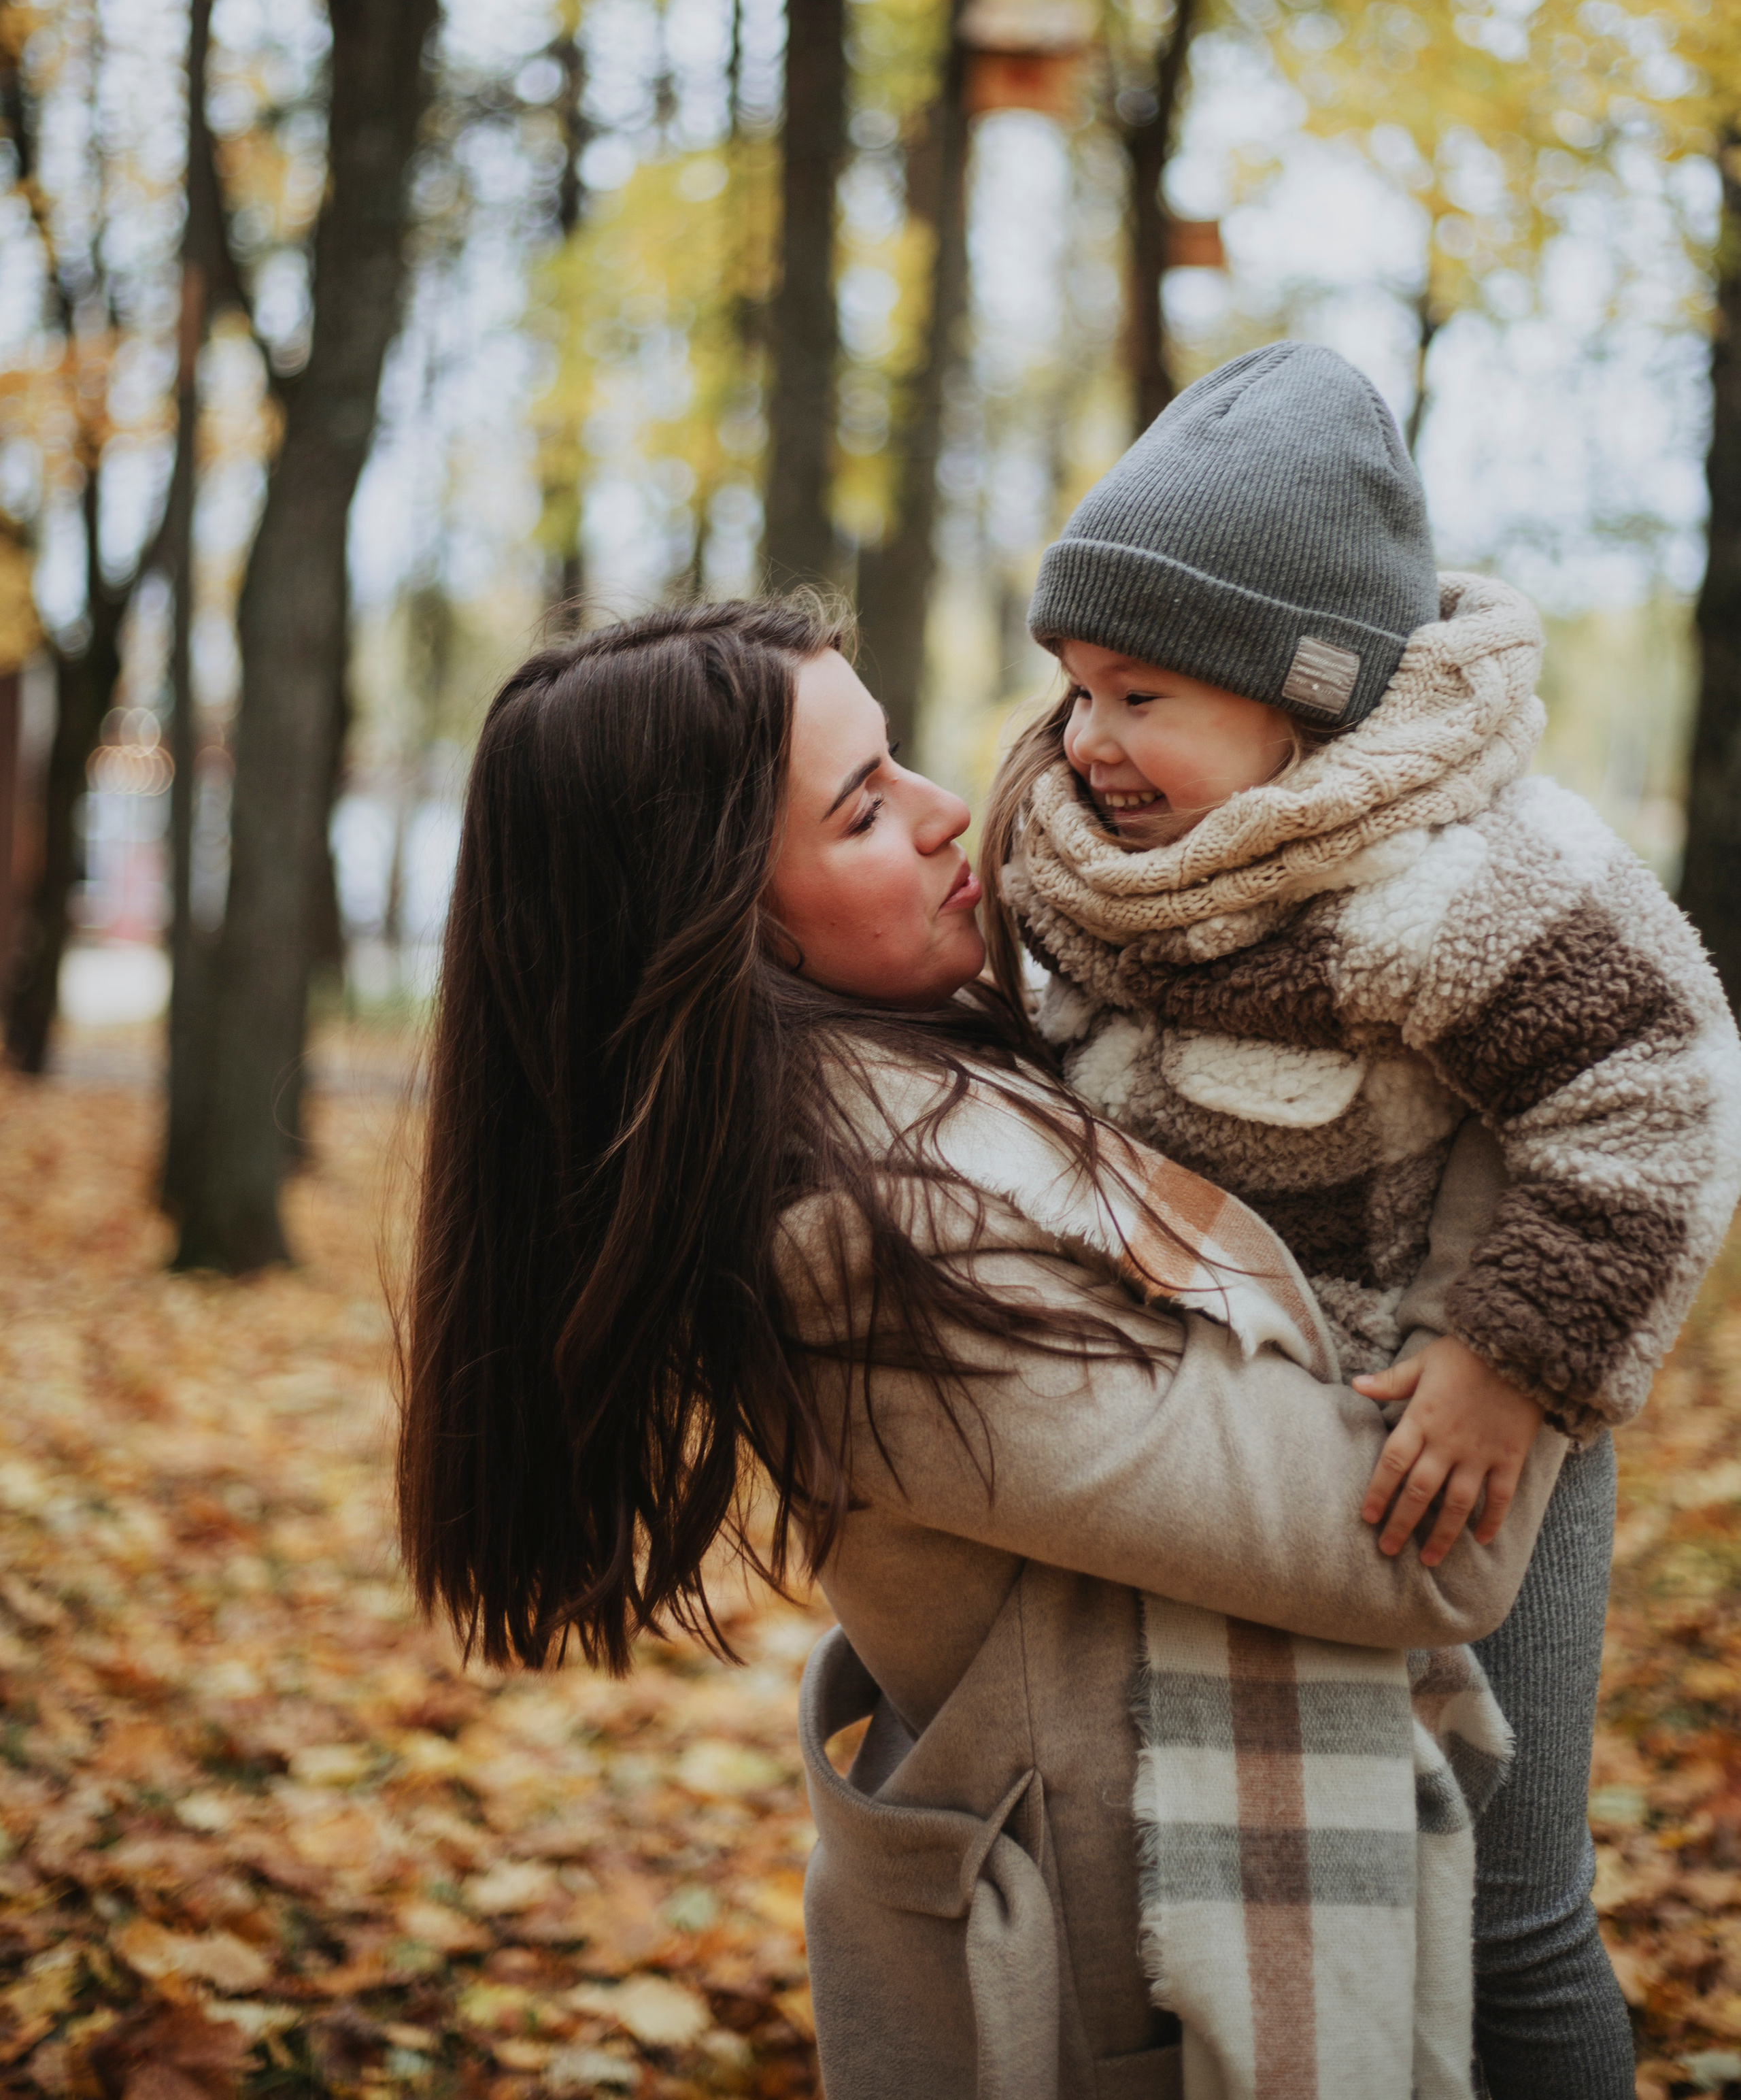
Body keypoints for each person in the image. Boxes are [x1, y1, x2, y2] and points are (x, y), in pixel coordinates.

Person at [396, 594, 1564, 2100]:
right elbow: (1416, 1555)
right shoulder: (870, 1262)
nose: (949, 810)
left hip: (1184, 1883)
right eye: (863, 810)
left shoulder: (958, 1081)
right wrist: (1532, 1192)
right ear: (721, 923)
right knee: (1544, 1960)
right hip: (1146, 1986)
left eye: (896, 760)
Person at [983, 339, 1741, 2100]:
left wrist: (1512, 1360)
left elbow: (1655, 1077)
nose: (1085, 741)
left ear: (1304, 697)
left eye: (1140, 696)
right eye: (1074, 690)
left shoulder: (1455, 879)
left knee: (1507, 1903)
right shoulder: (1081, 872)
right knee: (1259, 1894)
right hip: (1235, 1466)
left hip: (1467, 1446)